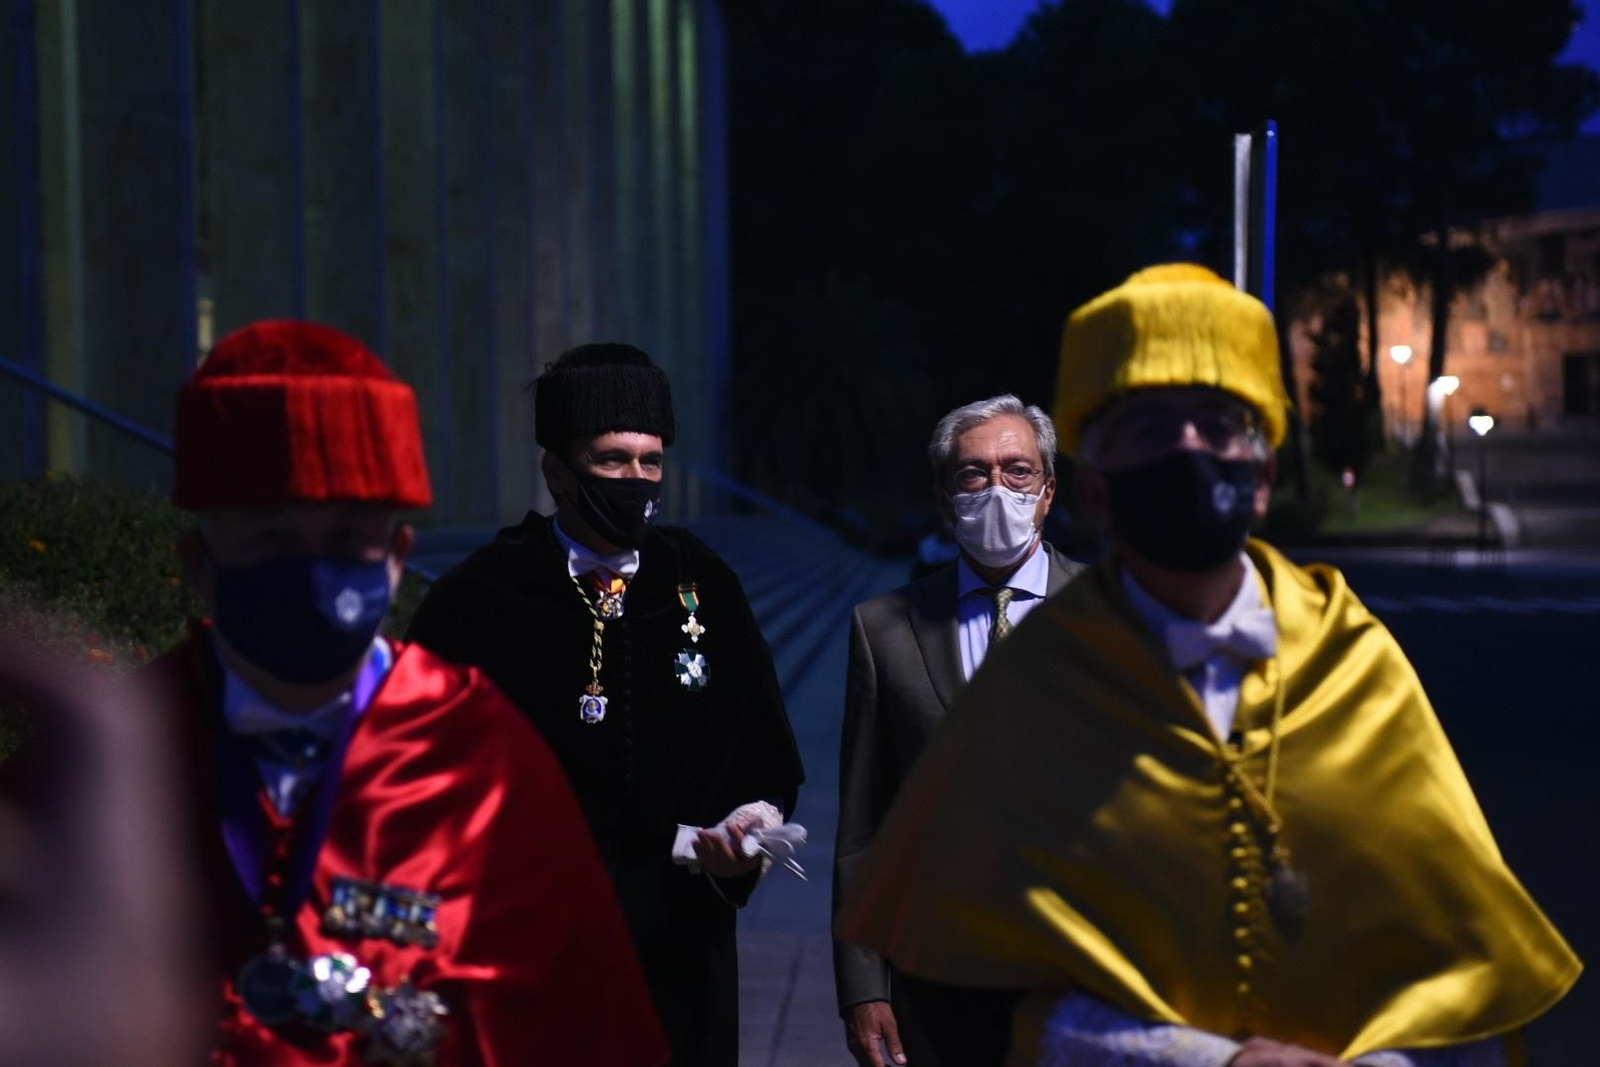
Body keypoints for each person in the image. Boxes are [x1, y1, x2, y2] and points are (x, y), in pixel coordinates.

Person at [837, 265, 1580, 1066]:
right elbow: (1005, 984)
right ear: (1097, 493)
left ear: (1262, 478)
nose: (1188, 449)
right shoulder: (1032, 685)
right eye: (1150, 428)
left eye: (1219, 423)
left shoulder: (1355, 661)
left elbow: (1447, 969)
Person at [155, 321, 667, 1065]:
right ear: (197, 563)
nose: (309, 572)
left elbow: (587, 1031)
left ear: (396, 558)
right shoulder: (107, 757)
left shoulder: (483, 761)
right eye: (269, 539)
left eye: (346, 538)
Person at [405, 342, 805, 1067]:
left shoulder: (700, 582)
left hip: (679, 952)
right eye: (612, 460)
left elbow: (762, 746)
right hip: (526, 947)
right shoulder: (482, 596)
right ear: (556, 471)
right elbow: (422, 770)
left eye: (651, 462)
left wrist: (751, 824)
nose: (635, 481)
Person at [834, 395, 1083, 1067]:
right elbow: (863, 827)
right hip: (934, 983)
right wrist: (863, 986)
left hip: (1078, 981)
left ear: (1048, 490)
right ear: (946, 497)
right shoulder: (884, 629)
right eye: (974, 473)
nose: (997, 488)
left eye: (1017, 470)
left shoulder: (1115, 619)